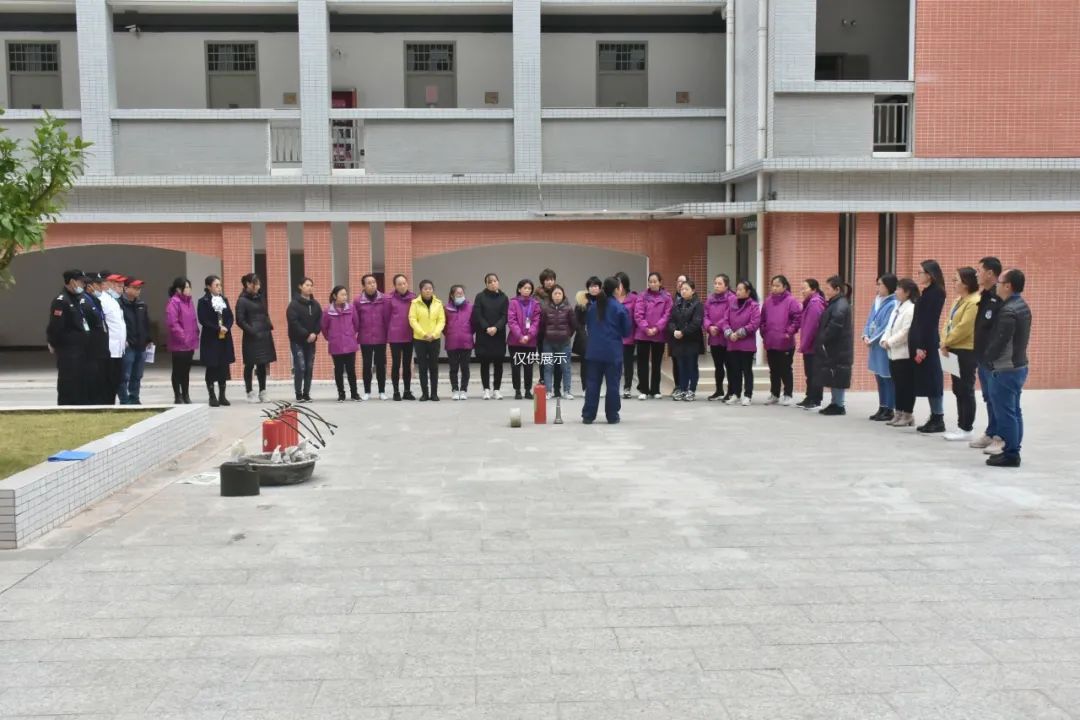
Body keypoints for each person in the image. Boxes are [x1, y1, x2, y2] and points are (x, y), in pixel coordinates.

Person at [983, 269, 1030, 468]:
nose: (997, 286)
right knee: (1014, 411)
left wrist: (987, 359)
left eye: (1000, 282)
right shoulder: (1022, 305)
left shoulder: (1008, 310)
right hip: (1018, 366)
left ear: (1008, 286)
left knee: (1006, 413)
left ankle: (1011, 454)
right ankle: (1012, 450)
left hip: (1005, 368)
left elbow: (1000, 341)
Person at [582, 277, 632, 424]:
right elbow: (626, 331)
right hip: (612, 352)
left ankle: (588, 415)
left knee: (592, 384)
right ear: (617, 290)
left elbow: (589, 327)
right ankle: (612, 415)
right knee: (613, 385)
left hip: (594, 351)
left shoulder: (593, 307)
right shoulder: (619, 308)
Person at [941, 267, 981, 441]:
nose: (953, 283)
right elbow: (948, 322)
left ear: (966, 283)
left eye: (956, 279)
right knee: (957, 389)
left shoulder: (974, 301)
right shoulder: (958, 300)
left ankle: (966, 428)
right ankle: (960, 426)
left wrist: (946, 342)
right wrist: (944, 341)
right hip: (951, 348)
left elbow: (964, 328)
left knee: (965, 389)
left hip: (965, 350)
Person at [970, 257, 1005, 455]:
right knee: (988, 397)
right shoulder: (984, 295)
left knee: (997, 398)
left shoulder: (999, 297)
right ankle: (991, 432)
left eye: (979, 270)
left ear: (990, 273)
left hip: (993, 359)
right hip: (981, 355)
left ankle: (1000, 436)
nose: (977, 274)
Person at [910, 260, 947, 434]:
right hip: (923, 340)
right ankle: (934, 415)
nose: (918, 275)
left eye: (921, 272)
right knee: (927, 380)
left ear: (930, 274)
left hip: (928, 342)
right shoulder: (927, 292)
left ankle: (938, 417)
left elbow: (929, 322)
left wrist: (921, 346)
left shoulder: (936, 293)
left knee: (933, 379)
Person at [46, 269, 93, 406]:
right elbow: (56, 327)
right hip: (68, 351)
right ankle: (66, 407)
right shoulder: (61, 301)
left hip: (81, 350)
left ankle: (79, 405)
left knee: (80, 383)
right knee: (68, 382)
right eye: (81, 282)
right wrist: (54, 343)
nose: (83, 285)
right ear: (72, 282)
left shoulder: (77, 299)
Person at [814, 276, 855, 416]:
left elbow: (834, 326)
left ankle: (839, 405)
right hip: (835, 347)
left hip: (839, 347)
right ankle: (835, 403)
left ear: (837, 289)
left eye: (828, 288)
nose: (826, 291)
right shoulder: (835, 302)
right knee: (834, 375)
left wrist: (822, 339)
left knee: (838, 375)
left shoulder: (840, 305)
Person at [882, 278, 919, 427]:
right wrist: (884, 340)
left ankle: (907, 414)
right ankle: (898, 413)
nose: (896, 291)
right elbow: (889, 327)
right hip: (893, 353)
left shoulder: (911, 309)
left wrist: (890, 342)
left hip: (904, 354)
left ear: (907, 292)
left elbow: (905, 332)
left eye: (899, 289)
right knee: (897, 385)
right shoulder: (897, 307)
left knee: (906, 386)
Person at [761, 275, 803, 406]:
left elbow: (797, 319)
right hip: (771, 341)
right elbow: (762, 320)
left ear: (784, 287)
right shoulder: (768, 302)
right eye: (773, 285)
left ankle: (788, 394)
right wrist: (764, 332)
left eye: (777, 285)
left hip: (785, 342)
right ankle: (774, 394)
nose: (774, 288)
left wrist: (788, 333)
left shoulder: (791, 301)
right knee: (773, 369)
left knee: (785, 369)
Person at [235, 273, 276, 404]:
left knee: (262, 364)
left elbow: (265, 313)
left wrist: (268, 325)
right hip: (251, 337)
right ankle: (249, 392)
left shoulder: (260, 297)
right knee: (249, 364)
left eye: (258, 283)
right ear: (248, 284)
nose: (258, 286)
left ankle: (263, 391)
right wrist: (252, 331)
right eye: (255, 283)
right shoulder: (242, 301)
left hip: (264, 334)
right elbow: (240, 320)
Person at [863, 274, 899, 422]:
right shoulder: (877, 300)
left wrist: (872, 339)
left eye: (880, 284)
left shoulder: (893, 303)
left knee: (887, 377)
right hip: (873, 345)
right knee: (879, 376)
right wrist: (865, 335)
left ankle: (890, 408)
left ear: (888, 286)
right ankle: (882, 406)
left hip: (882, 344)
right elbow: (869, 320)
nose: (877, 287)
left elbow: (886, 326)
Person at [197, 275, 235, 407]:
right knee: (212, 366)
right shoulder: (203, 301)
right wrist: (218, 328)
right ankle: (212, 395)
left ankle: (222, 395)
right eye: (216, 285)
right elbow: (203, 319)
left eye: (220, 285)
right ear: (209, 287)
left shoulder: (224, 299)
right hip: (211, 338)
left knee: (223, 366)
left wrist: (227, 327)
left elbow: (230, 316)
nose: (219, 288)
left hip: (224, 337)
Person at [634, 272, 673, 400]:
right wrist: (646, 328)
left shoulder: (667, 297)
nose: (652, 284)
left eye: (655, 281)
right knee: (642, 363)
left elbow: (667, 315)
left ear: (660, 282)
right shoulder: (642, 296)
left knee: (657, 363)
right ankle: (643, 389)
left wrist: (656, 328)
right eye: (650, 281)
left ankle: (655, 389)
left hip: (658, 334)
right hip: (643, 334)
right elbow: (638, 314)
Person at [722, 280, 761, 406]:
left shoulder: (753, 305)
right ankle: (736, 394)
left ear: (748, 292)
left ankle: (748, 395)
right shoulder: (731, 303)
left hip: (746, 345)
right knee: (735, 370)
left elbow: (754, 323)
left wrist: (739, 333)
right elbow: (725, 321)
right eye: (737, 289)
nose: (737, 292)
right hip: (732, 343)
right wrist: (729, 333)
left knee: (747, 370)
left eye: (740, 289)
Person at [472, 272, 508, 400]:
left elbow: (505, 316)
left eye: (495, 281)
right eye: (490, 282)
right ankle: (486, 389)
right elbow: (478, 314)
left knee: (498, 363)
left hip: (498, 334)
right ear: (486, 284)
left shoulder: (504, 297)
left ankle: (497, 390)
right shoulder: (480, 297)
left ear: (498, 282)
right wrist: (487, 327)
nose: (493, 283)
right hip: (484, 334)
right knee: (484, 363)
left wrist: (496, 327)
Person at [286, 277, 322, 403]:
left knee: (309, 367)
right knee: (300, 367)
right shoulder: (294, 305)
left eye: (311, 285)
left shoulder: (315, 304)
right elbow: (293, 322)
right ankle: (298, 393)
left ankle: (306, 393)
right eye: (307, 285)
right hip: (297, 341)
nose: (309, 287)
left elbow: (320, 321)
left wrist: (315, 333)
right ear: (300, 287)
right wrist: (307, 334)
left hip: (311, 341)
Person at [409, 279, 445, 401]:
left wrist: (434, 334)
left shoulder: (438, 303)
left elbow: (441, 320)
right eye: (425, 289)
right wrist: (423, 334)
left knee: (434, 367)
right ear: (421, 290)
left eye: (430, 288)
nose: (428, 291)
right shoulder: (415, 303)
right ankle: (425, 393)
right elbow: (412, 319)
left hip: (434, 339)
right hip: (420, 340)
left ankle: (434, 393)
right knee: (423, 367)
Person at [322, 285, 361, 402]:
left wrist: (350, 334)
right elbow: (324, 327)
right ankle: (341, 393)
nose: (345, 297)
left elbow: (356, 324)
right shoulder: (327, 311)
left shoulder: (351, 308)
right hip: (336, 345)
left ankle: (354, 393)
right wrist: (331, 338)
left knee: (351, 370)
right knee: (338, 370)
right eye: (342, 294)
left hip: (350, 343)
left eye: (346, 294)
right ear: (335, 296)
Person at [355, 274, 390, 401]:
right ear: (364, 286)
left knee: (381, 364)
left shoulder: (384, 299)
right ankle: (367, 391)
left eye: (374, 282)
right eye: (369, 283)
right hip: (365, 338)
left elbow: (387, 317)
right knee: (367, 365)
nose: (372, 285)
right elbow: (356, 320)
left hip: (381, 337)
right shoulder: (358, 301)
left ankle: (382, 391)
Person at [668, 279, 704, 401]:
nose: (683, 291)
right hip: (678, 340)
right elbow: (671, 320)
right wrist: (674, 331)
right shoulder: (677, 304)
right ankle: (682, 389)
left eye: (686, 289)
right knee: (681, 365)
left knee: (691, 365)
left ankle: (691, 390)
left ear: (693, 291)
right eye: (682, 289)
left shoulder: (698, 304)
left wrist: (683, 332)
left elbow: (696, 323)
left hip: (692, 340)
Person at [540, 284, 577, 400]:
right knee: (548, 367)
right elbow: (542, 325)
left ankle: (567, 391)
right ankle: (548, 391)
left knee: (565, 367)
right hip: (548, 343)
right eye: (555, 293)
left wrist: (567, 335)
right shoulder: (545, 308)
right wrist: (547, 334)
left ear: (563, 295)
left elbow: (573, 325)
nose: (557, 295)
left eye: (559, 293)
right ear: (551, 295)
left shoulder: (568, 308)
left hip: (564, 343)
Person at [165, 276, 199, 405]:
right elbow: (173, 323)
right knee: (178, 371)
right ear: (179, 289)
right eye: (187, 287)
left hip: (190, 343)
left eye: (190, 287)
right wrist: (183, 337)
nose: (189, 290)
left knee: (186, 371)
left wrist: (195, 334)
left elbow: (193, 320)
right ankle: (177, 395)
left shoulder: (189, 302)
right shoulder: (174, 302)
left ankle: (186, 394)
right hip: (179, 344)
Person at [507, 279, 541, 400]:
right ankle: (517, 390)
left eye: (529, 288)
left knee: (529, 367)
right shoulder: (513, 302)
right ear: (519, 289)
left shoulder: (535, 303)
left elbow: (536, 322)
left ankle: (527, 390)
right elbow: (511, 321)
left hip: (530, 342)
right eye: (525, 288)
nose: (527, 290)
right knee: (516, 367)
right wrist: (520, 336)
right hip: (515, 341)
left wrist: (529, 335)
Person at [119, 278, 151, 405]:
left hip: (141, 345)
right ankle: (124, 399)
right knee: (124, 375)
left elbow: (146, 323)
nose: (138, 291)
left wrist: (148, 339)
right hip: (128, 345)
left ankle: (134, 397)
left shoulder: (141, 305)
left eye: (139, 288)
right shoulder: (119, 304)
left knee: (137, 375)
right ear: (126, 288)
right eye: (135, 288)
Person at [796, 279, 826, 409]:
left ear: (813, 289)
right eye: (801, 289)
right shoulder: (809, 303)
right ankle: (809, 397)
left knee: (814, 374)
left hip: (813, 345)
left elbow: (812, 327)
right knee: (809, 373)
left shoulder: (815, 304)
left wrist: (804, 344)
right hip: (810, 345)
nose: (802, 291)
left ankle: (815, 399)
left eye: (805, 288)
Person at [703, 274, 733, 401]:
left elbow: (728, 315)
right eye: (715, 283)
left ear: (726, 286)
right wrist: (709, 327)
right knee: (718, 366)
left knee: (729, 366)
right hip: (714, 337)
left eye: (720, 283)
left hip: (726, 337)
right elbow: (705, 315)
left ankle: (731, 392)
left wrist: (718, 327)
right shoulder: (710, 299)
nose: (716, 286)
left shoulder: (731, 298)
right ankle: (719, 390)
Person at [387, 274, 417, 401]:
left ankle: (407, 391)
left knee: (407, 364)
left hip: (409, 335)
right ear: (395, 286)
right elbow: (386, 317)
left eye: (404, 283)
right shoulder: (389, 299)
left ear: (407, 284)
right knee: (396, 364)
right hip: (395, 337)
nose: (402, 286)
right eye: (399, 284)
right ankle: (396, 391)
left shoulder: (414, 298)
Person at [81, 273, 110, 405]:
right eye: (98, 284)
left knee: (101, 376)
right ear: (89, 286)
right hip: (92, 346)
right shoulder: (85, 301)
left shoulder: (94, 300)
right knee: (92, 376)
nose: (100, 287)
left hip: (101, 345)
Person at [99, 273, 127, 405]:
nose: (121, 289)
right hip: (110, 348)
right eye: (117, 285)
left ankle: (111, 403)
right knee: (109, 381)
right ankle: (107, 404)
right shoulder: (102, 300)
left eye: (122, 286)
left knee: (116, 379)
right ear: (108, 284)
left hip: (118, 349)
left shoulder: (113, 301)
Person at [445, 284, 474, 400]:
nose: (460, 295)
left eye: (462, 293)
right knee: (453, 368)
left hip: (466, 342)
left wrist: (468, 333)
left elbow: (474, 323)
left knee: (465, 367)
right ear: (452, 295)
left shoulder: (470, 307)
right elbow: (444, 325)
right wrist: (450, 333)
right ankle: (455, 389)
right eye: (458, 293)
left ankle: (463, 390)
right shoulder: (446, 308)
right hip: (451, 342)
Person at [575, 277, 602, 393]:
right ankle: (585, 387)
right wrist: (583, 334)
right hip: (585, 337)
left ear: (600, 288)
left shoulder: (604, 302)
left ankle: (597, 387)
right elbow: (576, 322)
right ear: (587, 288)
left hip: (600, 337)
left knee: (598, 364)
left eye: (596, 286)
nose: (593, 288)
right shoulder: (581, 303)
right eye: (591, 286)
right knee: (585, 364)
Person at [614, 272, 637, 399]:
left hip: (628, 335)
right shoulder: (611, 298)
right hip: (613, 337)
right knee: (615, 363)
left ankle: (627, 387)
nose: (618, 285)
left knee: (628, 363)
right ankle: (614, 386)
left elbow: (636, 317)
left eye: (620, 282)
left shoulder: (633, 298)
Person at [669, 274, 689, 391]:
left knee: (686, 362)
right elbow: (669, 318)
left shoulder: (692, 300)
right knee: (675, 362)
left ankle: (685, 386)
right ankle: (677, 386)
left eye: (683, 282)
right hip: (674, 336)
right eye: (678, 282)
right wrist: (674, 330)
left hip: (687, 336)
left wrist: (683, 331)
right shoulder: (671, 299)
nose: (680, 284)